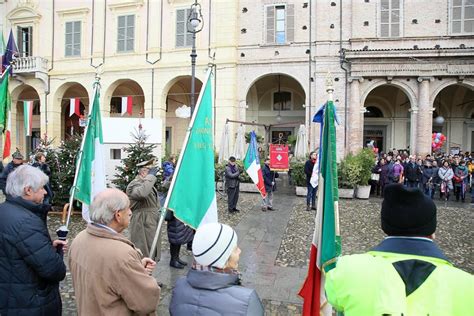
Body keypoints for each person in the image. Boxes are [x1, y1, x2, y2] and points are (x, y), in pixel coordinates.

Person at [325, 184, 473, 315]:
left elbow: (333, 298)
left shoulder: (347, 269)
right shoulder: (468, 286)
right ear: (432, 231)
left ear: (385, 227)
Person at [69, 188, 161, 315]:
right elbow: (146, 303)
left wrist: (136, 268)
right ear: (118, 215)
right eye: (128, 208)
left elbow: (105, 277)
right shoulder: (123, 255)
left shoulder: (79, 239)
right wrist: (141, 276)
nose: (130, 212)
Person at [0, 165, 67, 315]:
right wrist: (56, 254)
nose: (45, 192)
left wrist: (47, 247)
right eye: (42, 188)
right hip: (27, 303)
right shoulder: (27, 222)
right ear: (28, 190)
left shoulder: (4, 210)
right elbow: (54, 270)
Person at [169, 223, 264, 315]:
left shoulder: (179, 286)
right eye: (235, 249)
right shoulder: (247, 299)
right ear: (223, 259)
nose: (240, 251)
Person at [126, 159, 162, 261]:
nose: (152, 174)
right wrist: (151, 177)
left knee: (151, 250)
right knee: (143, 252)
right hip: (142, 222)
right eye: (149, 171)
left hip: (149, 221)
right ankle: (142, 274)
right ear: (143, 172)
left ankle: (148, 273)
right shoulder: (135, 184)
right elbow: (142, 193)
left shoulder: (146, 183)